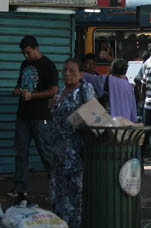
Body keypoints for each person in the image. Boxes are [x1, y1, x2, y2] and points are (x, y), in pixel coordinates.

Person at [8, 36, 58, 201]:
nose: (26, 56)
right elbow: (20, 85)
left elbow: (53, 90)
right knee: (21, 152)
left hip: (41, 116)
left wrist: (33, 96)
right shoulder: (25, 65)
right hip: (23, 115)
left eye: (28, 53)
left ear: (36, 48)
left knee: (46, 151)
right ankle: (20, 189)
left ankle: (57, 185)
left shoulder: (48, 65)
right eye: (23, 53)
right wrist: (17, 91)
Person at [49, 58, 96, 228]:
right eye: (65, 70)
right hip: (58, 151)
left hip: (76, 151)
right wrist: (52, 106)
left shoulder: (85, 89)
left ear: (80, 74)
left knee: (75, 193)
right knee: (58, 192)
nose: (67, 73)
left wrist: (76, 118)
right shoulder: (61, 91)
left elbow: (93, 114)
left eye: (72, 71)